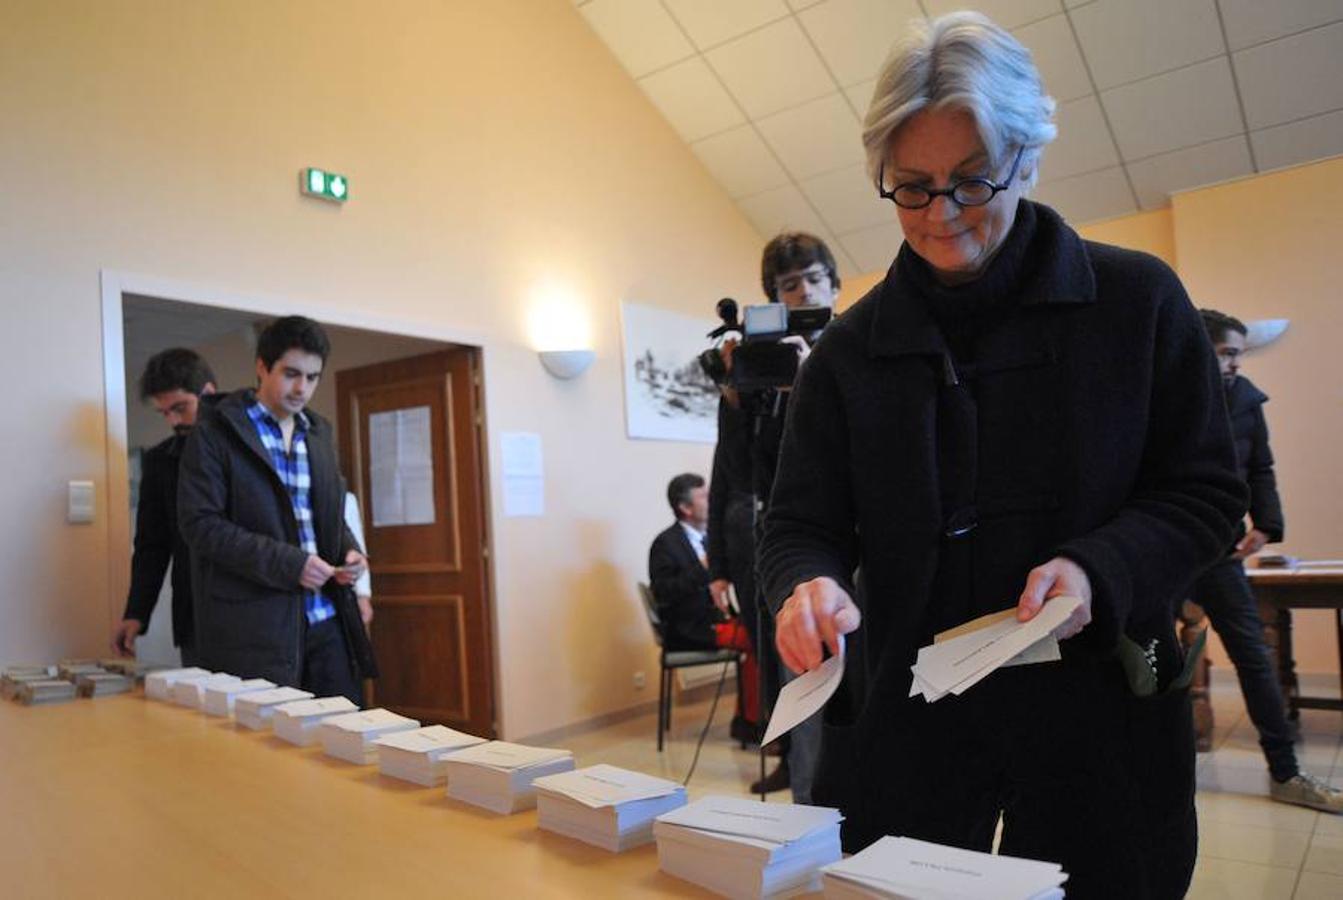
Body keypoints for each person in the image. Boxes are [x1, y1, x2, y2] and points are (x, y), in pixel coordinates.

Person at [757, 13, 1246, 898]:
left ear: (1028, 157)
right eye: (911, 187)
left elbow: (1205, 492)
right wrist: (805, 583)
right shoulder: (846, 354)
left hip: (1098, 719)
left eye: (971, 181)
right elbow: (800, 523)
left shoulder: (1135, 303)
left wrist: (1096, 569)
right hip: (909, 728)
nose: (941, 216)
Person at [1192, 309, 1343, 812]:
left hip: (1220, 551)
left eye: (1239, 353)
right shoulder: (1164, 387)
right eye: (1227, 353)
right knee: (1147, 662)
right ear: (1201, 348)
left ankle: (1286, 772)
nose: (1236, 363)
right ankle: (1155, 771)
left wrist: (1265, 527)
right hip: (1164, 552)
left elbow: (1261, 466)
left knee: (1254, 659)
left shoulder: (1245, 399)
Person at [707, 231, 840, 798]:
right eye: (790, 284)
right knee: (784, 667)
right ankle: (798, 771)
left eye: (813, 278)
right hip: (770, 549)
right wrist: (737, 399)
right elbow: (734, 474)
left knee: (833, 677)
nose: (804, 290)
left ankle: (829, 788)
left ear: (833, 284)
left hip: (839, 550)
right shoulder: (760, 373)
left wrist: (811, 379)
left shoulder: (851, 352)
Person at [178, 316, 372, 705]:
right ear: (262, 366)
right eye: (292, 373)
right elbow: (201, 527)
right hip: (257, 631)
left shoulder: (319, 432)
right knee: (267, 758)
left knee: (344, 751)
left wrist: (349, 551)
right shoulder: (215, 433)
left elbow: (329, 513)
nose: (303, 388)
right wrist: (291, 564)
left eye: (313, 377)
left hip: (327, 621)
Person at [112, 348, 217, 664]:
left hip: (255, 614)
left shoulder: (248, 446)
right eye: (165, 412)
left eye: (180, 408)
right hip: (193, 612)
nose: (173, 420)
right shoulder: (160, 462)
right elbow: (151, 546)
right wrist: (136, 613)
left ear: (209, 393)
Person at [649, 473, 758, 727]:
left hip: (713, 620)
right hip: (689, 628)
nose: (714, 501)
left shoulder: (711, 539)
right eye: (705, 497)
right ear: (685, 508)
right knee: (755, 639)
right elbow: (664, 592)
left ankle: (750, 718)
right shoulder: (664, 544)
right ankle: (750, 723)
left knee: (759, 631)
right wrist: (704, 567)